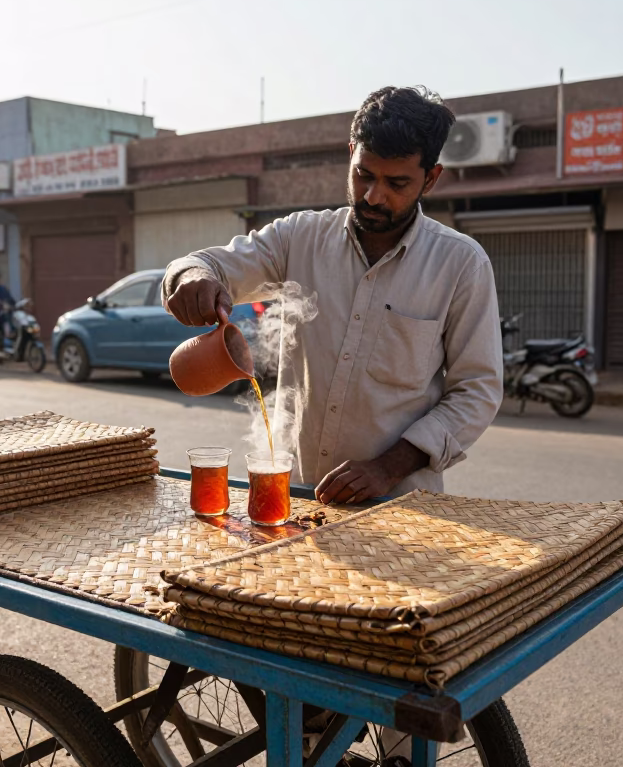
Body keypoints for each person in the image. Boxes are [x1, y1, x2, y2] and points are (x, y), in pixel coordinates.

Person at [164, 85, 504, 503]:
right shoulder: (299, 237)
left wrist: (388, 467)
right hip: (296, 500)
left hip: (400, 508)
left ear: (431, 178)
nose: (373, 196)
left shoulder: (461, 264)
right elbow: (209, 263)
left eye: (396, 183)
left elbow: (477, 391)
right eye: (364, 174)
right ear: (350, 154)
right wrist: (192, 276)